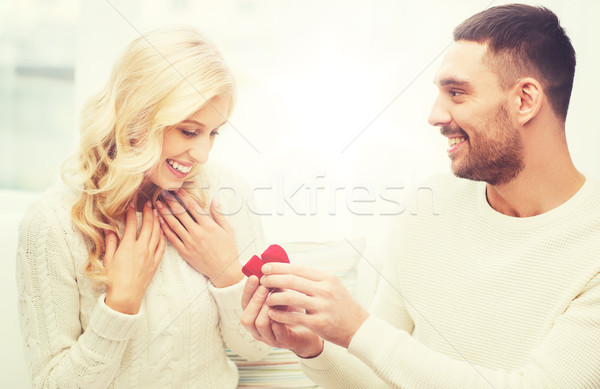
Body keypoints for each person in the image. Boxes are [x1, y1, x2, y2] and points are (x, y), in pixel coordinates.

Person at [240, 4, 600, 388]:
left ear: (525, 100)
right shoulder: (431, 204)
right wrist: (312, 348)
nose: (434, 115)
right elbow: (379, 377)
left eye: (457, 93)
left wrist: (357, 328)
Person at [16, 27, 270, 388]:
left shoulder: (226, 193)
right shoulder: (52, 223)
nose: (202, 154)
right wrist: (120, 303)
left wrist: (227, 274)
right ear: (137, 117)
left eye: (213, 133)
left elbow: (258, 350)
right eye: (188, 131)